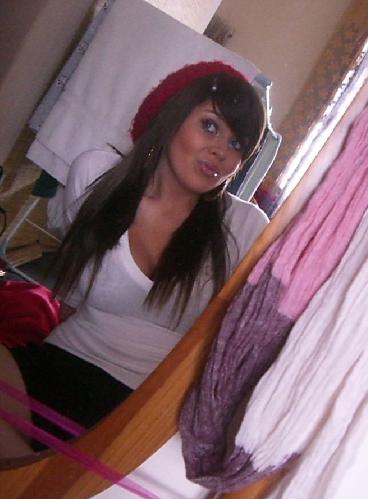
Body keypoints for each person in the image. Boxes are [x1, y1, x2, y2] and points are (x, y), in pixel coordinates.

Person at [0, 61, 269, 458]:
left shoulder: (245, 227)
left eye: (237, 145)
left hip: (145, 408)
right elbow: (73, 297)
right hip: (62, 362)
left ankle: (32, 474)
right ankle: (32, 473)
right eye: (210, 126)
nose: (221, 152)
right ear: (172, 115)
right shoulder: (97, 176)